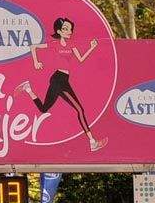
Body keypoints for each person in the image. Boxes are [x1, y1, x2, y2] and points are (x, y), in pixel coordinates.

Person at [16, 16, 107, 152]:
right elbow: (33, 46)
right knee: (80, 110)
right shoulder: (54, 44)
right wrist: (36, 62)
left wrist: (92, 48)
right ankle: (92, 142)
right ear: (59, 31)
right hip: (58, 80)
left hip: (63, 80)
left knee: (44, 109)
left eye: (70, 29)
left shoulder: (72, 45)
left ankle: (28, 89)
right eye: (65, 29)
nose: (69, 31)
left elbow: (81, 59)